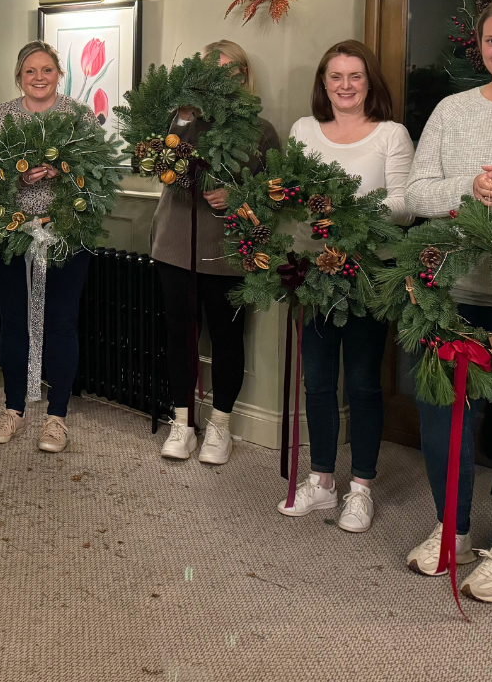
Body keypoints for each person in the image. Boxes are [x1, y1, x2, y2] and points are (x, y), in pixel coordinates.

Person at [405, 0, 492, 603]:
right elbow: (419, 193)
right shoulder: (453, 110)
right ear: (478, 45)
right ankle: (453, 528)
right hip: (454, 294)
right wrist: (470, 188)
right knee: (444, 419)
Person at [278, 40, 413, 533]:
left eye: (355, 76)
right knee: (317, 382)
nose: (345, 86)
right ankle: (321, 481)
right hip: (314, 274)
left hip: (368, 276)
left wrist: (348, 213)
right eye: (335, 77)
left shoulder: (391, 135)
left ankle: (361, 488)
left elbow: (405, 203)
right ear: (323, 84)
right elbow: (290, 197)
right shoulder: (304, 130)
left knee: (360, 383)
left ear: (369, 82)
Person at [151, 40, 280, 465]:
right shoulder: (179, 118)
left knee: (226, 339)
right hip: (175, 245)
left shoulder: (260, 131)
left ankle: (220, 426)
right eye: (211, 72)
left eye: (230, 71)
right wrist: (185, 114)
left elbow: (276, 195)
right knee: (178, 336)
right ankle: (182, 423)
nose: (221, 80)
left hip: (227, 251)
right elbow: (160, 161)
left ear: (243, 77)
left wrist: (241, 194)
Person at [0, 41, 96, 455]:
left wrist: (60, 171)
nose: (39, 78)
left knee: (61, 323)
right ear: (19, 75)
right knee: (13, 321)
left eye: (46, 70)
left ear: (59, 73)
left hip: (67, 236)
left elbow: (95, 175)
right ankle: (13, 409)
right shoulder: (1, 118)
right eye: (30, 71)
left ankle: (57, 417)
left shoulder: (78, 118)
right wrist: (17, 176)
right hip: (12, 236)